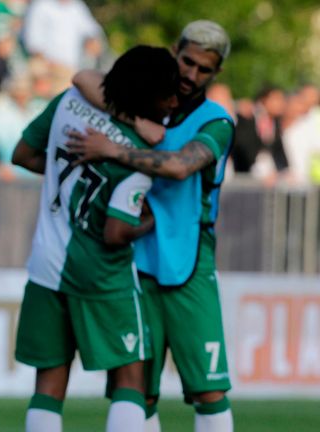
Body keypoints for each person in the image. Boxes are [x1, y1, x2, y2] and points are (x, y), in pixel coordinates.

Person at [67, 21, 235, 432]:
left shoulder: (217, 121)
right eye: (187, 61)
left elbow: (180, 167)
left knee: (209, 390)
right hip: (130, 259)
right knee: (137, 388)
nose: (191, 75)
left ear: (216, 74)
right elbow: (82, 77)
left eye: (204, 70)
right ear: (175, 51)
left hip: (189, 261)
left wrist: (114, 149)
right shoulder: (146, 100)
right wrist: (133, 119)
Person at [13, 45, 179, 432]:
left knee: (48, 385)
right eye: (166, 92)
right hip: (101, 276)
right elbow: (116, 231)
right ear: (149, 93)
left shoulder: (69, 101)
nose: (172, 101)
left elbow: (22, 154)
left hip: (45, 264)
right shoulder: (135, 154)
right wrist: (149, 223)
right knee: (131, 380)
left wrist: (62, 174)